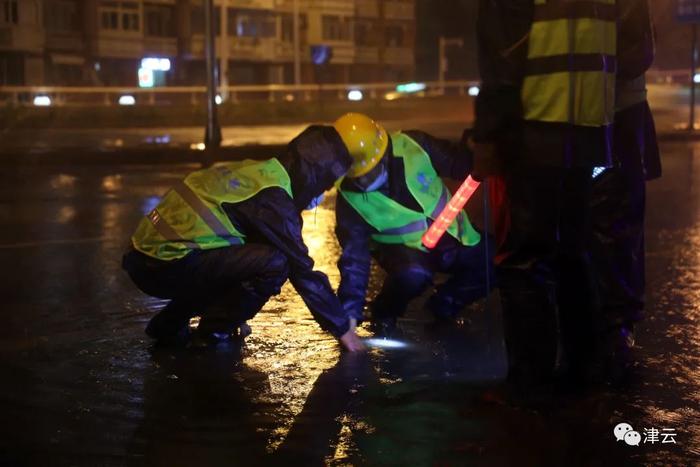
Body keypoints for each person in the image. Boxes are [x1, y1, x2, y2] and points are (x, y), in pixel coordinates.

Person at [474, 0, 618, 387]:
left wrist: (487, 137)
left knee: (524, 258)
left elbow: (503, 65)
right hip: (589, 127)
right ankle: (585, 370)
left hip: (535, 129)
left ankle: (530, 382)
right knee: (575, 251)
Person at [122, 125, 365, 352]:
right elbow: (302, 271)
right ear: (314, 176)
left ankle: (167, 325)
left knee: (245, 258)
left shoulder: (259, 172)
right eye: (324, 186)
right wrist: (343, 330)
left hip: (145, 259)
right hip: (164, 267)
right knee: (275, 263)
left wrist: (235, 308)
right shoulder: (273, 199)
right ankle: (213, 335)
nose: (322, 194)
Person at [333, 113, 492, 334]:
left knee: (492, 261)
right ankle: (385, 312)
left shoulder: (415, 145)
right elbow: (354, 260)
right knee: (413, 275)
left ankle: (445, 305)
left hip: (455, 236)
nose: (364, 182)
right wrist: (348, 318)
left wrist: (478, 151)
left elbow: (458, 163)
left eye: (370, 173)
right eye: (358, 176)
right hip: (404, 254)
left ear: (384, 154)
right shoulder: (349, 199)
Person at [590, 0, 661, 384]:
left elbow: (640, 51)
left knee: (619, 222)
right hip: (578, 117)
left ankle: (617, 327)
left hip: (617, 116)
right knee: (586, 222)